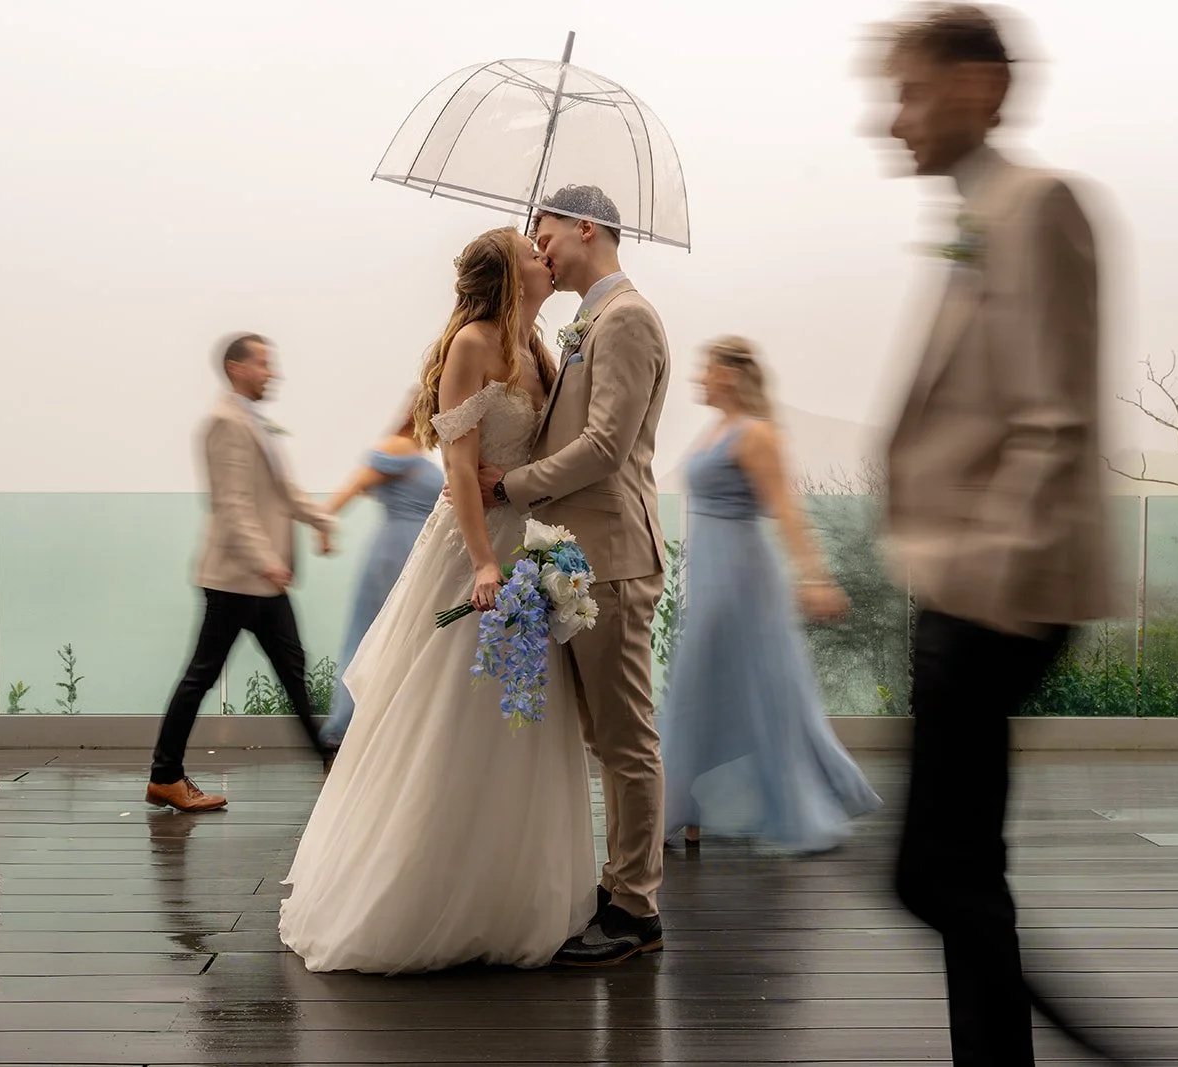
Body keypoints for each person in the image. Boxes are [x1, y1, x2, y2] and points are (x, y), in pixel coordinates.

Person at [869, 6, 1120, 1064]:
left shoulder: (1038, 205)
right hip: (961, 589)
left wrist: (979, 586)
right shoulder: (978, 217)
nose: (890, 122)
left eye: (909, 92)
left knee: (937, 869)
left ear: (979, 87)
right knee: (955, 863)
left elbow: (1054, 415)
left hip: (996, 592)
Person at [279, 226, 597, 975]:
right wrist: (485, 560)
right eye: (531, 250)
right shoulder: (473, 345)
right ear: (507, 272)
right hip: (477, 554)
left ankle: (513, 891)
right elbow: (457, 465)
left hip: (533, 548)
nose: (544, 255)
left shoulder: (543, 346)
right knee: (457, 712)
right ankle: (426, 892)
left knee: (523, 717)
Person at [473, 185, 671, 965]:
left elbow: (604, 448)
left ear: (586, 226)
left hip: (615, 560)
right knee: (603, 735)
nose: (540, 245)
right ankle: (621, 881)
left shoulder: (626, 318)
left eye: (545, 230)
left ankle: (636, 907)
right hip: (582, 561)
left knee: (626, 740)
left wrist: (509, 486)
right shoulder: (589, 320)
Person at [660, 338, 882, 852]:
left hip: (739, 578)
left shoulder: (755, 435)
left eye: (708, 368)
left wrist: (816, 577)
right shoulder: (717, 429)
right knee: (701, 688)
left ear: (732, 374)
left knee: (749, 687)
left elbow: (787, 510)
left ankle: (688, 806)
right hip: (710, 574)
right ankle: (686, 808)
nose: (700, 377)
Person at [146, 334, 337, 812]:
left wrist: (320, 520)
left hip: (257, 580)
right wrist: (266, 560)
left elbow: (283, 491)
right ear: (236, 368)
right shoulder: (225, 422)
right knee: (203, 675)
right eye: (263, 364)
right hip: (236, 578)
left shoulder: (252, 422)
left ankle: (328, 759)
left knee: (291, 669)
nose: (272, 373)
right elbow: (231, 505)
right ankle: (165, 776)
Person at [317, 395, 443, 749]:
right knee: (382, 634)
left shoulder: (417, 453)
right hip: (396, 552)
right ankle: (349, 725)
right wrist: (323, 526)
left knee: (399, 636)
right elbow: (351, 489)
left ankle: (389, 723)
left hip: (414, 552)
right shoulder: (398, 447)